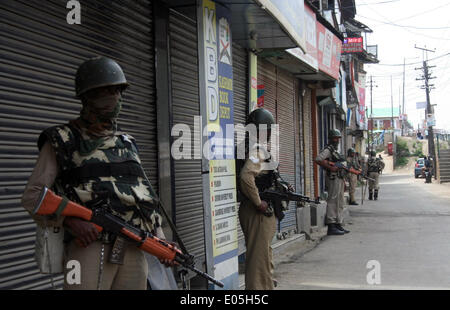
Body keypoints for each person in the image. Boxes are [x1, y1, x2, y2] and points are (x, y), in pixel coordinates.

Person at [21, 56, 176, 290]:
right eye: (106, 92)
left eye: (117, 91)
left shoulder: (126, 142)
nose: (115, 98)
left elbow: (144, 198)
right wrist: (71, 221)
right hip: (90, 245)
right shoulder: (62, 139)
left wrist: (160, 238)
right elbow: (33, 196)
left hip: (134, 247)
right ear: (87, 97)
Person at [238, 108, 293, 290]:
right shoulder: (257, 150)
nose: (270, 134)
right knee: (258, 259)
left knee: (262, 255)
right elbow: (246, 177)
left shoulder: (249, 147)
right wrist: (258, 202)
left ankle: (265, 285)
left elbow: (264, 177)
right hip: (258, 213)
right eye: (269, 129)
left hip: (255, 211)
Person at [315, 129, 348, 236]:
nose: (337, 140)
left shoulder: (334, 150)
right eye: (335, 138)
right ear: (330, 138)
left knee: (340, 201)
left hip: (339, 178)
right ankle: (331, 225)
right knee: (333, 201)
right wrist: (330, 167)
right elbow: (318, 159)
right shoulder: (328, 149)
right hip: (333, 178)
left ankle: (338, 223)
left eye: (338, 138)